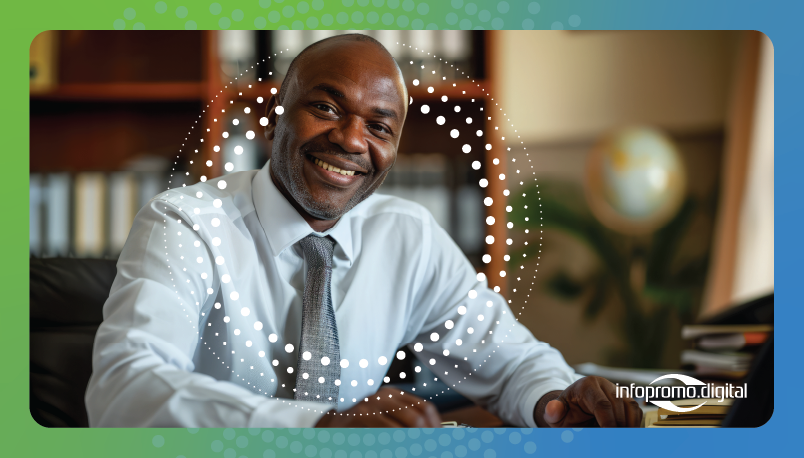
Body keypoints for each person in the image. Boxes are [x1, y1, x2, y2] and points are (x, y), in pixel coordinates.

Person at [85, 34, 642, 428]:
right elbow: (125, 389)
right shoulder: (185, 223)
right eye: (327, 107)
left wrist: (554, 402)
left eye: (379, 126)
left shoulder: (408, 236)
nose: (352, 141)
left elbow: (512, 361)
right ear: (278, 112)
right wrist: (317, 428)